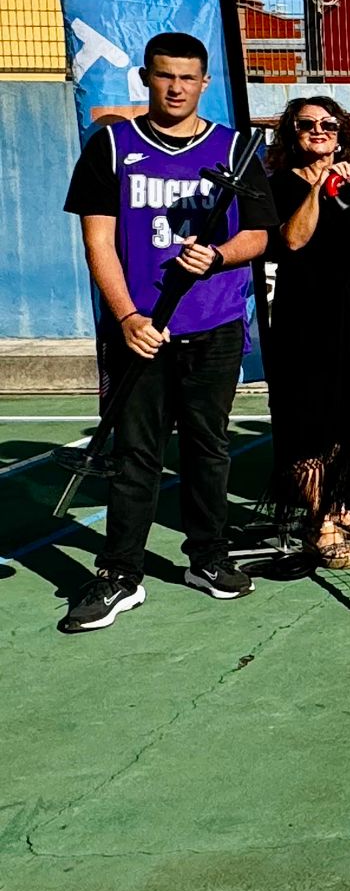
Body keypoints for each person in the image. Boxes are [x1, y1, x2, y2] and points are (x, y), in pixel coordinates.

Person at [58, 32, 277, 633]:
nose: (176, 87)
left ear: (205, 83)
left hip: (214, 327)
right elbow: (98, 241)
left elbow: (260, 234)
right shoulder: (111, 145)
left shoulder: (234, 150)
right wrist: (128, 317)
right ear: (146, 79)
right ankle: (120, 573)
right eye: (164, 76)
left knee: (209, 450)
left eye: (187, 77)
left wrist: (220, 256)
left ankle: (206, 557)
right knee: (136, 457)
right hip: (139, 331)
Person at [266, 95, 350, 569]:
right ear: (293, 133)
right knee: (308, 420)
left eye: (328, 124)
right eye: (307, 125)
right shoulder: (281, 182)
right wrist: (318, 187)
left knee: (345, 416)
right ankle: (317, 524)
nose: (319, 131)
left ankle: (336, 506)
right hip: (305, 317)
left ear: (342, 132)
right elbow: (293, 240)